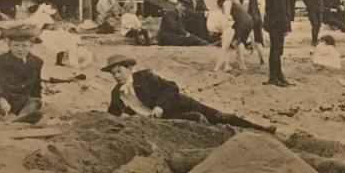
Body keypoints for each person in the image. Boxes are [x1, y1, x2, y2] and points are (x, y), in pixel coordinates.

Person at [102, 55, 275, 133]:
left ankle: (259, 128)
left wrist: (159, 106)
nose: (116, 76)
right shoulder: (117, 94)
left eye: (119, 71)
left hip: (177, 103)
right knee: (193, 120)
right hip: (166, 120)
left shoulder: (145, 77)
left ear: (129, 69)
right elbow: (112, 115)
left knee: (218, 115)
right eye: (113, 73)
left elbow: (171, 87)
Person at [0, 25, 44, 125]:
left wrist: (37, 101)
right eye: (16, 45)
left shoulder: (36, 62)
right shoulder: (0, 60)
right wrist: (1, 99)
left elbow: (36, 86)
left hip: (21, 100)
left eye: (24, 45)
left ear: (31, 46)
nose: (20, 49)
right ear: (9, 45)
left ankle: (22, 117)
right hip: (1, 98)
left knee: (35, 101)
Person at [264, 0, 294, 86]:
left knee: (276, 50)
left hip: (272, 23)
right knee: (276, 50)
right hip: (277, 24)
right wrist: (286, 26)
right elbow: (281, 10)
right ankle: (274, 77)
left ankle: (278, 75)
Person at [215, 0, 253, 72]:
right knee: (235, 44)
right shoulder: (232, 2)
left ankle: (220, 66)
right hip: (246, 22)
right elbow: (229, 16)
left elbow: (227, 16)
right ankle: (229, 65)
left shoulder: (230, 2)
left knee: (228, 45)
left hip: (242, 24)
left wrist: (224, 30)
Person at [239, 0, 266, 65]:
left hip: (249, 19)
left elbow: (246, 2)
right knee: (258, 40)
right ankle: (262, 59)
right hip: (257, 18)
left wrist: (243, 14)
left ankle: (242, 62)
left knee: (241, 40)